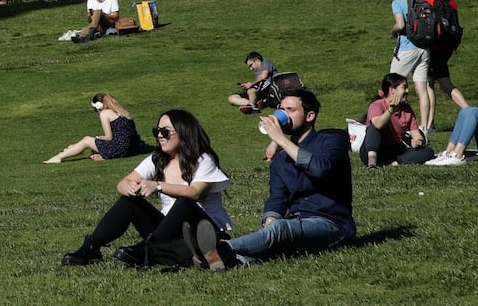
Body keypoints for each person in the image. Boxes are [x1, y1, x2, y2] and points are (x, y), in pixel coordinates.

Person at [186, 88, 354, 270]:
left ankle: (221, 249)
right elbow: (277, 199)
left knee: (280, 230)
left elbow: (320, 169)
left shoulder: (331, 140)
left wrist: (281, 141)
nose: (283, 114)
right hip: (295, 223)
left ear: (310, 116)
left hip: (332, 224)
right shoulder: (280, 161)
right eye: (281, 109)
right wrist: (270, 219)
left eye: (291, 110)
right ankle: (223, 260)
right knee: (270, 239)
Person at [60, 109, 232, 268]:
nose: (159, 136)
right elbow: (123, 182)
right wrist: (128, 186)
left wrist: (157, 185)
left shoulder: (203, 160)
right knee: (129, 201)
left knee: (185, 203)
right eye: (156, 132)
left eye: (165, 132)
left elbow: (195, 193)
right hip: (167, 232)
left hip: (203, 232)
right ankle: (91, 247)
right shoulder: (158, 159)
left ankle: (147, 248)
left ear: (184, 132)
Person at [419, 0, 468, 131]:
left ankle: (430, 123)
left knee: (433, 84)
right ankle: (430, 123)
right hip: (447, 47)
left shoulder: (426, 0)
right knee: (435, 82)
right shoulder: (450, 1)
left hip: (433, 46)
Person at [45, 92, 145, 163]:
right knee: (87, 145)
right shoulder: (123, 112)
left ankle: (58, 157)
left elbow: (109, 137)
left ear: (99, 107)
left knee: (86, 140)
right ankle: (74, 149)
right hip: (132, 148)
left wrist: (99, 138)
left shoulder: (105, 114)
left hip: (121, 148)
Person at [389, 0, 434, 129]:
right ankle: (424, 127)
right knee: (422, 89)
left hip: (407, 49)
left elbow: (400, 25)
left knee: (392, 85)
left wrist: (393, 31)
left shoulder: (397, 3)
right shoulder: (420, 1)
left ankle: (393, 123)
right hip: (424, 49)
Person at [360, 72, 433, 167]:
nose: (407, 91)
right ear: (392, 90)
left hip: (395, 150)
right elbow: (378, 125)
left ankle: (395, 163)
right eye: (404, 87)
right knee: (373, 128)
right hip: (375, 149)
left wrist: (418, 141)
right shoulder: (377, 105)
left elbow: (416, 133)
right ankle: (372, 162)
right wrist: (391, 110)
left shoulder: (407, 109)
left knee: (428, 152)